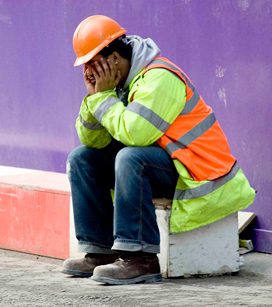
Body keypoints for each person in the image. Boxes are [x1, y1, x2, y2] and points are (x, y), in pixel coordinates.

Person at [61, 15, 255, 285]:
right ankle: (100, 251)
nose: (90, 72)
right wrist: (95, 97)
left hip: (197, 172)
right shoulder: (118, 86)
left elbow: (137, 134)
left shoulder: (160, 77)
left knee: (131, 158)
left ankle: (141, 258)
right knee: (81, 159)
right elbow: (93, 142)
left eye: (94, 63)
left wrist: (104, 98)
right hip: (168, 166)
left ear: (115, 58)